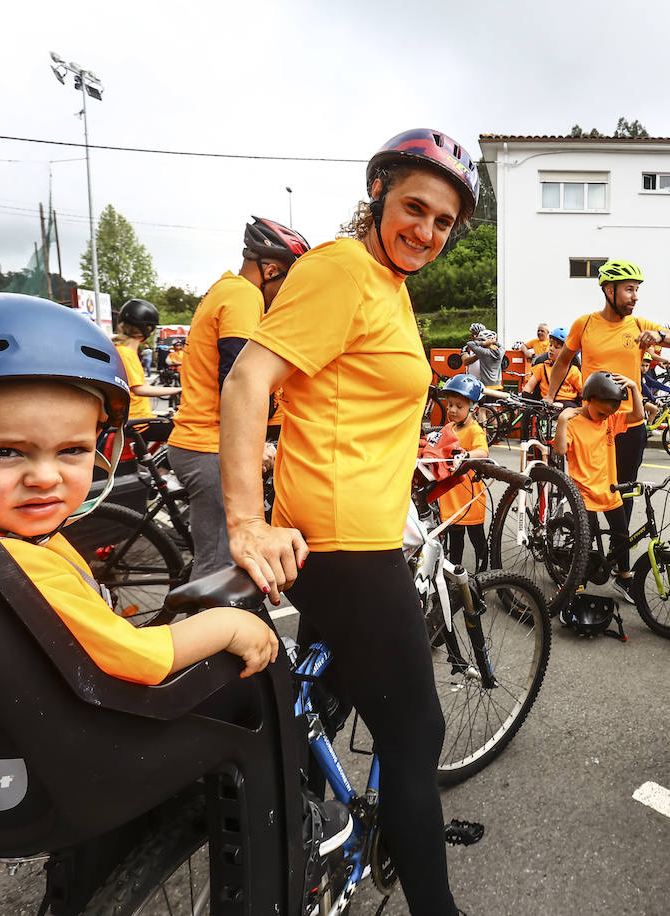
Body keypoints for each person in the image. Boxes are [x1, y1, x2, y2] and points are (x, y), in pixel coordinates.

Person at [0, 292, 353, 856]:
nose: (46, 477)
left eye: (73, 450)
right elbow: (139, 658)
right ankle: (294, 829)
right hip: (86, 763)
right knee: (258, 687)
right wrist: (228, 626)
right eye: (6, 452)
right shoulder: (15, 564)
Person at [219, 127, 480, 915]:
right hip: (347, 551)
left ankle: (310, 835)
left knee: (322, 706)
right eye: (414, 209)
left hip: (362, 534)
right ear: (377, 195)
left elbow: (356, 400)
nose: (427, 234)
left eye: (443, 224)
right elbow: (247, 382)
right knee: (417, 736)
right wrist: (244, 522)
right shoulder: (341, 269)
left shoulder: (387, 285)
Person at [168, 216, 310, 580]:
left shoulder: (224, 290)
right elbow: (238, 379)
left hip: (202, 441)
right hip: (210, 445)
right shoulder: (244, 296)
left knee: (223, 562)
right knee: (220, 569)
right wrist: (255, 443)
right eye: (288, 283)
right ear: (271, 269)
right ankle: (213, 635)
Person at [547, 259, 670, 520]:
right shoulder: (585, 323)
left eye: (637, 289)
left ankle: (618, 544)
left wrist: (659, 337)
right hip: (593, 420)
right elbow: (563, 362)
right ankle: (587, 545)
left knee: (624, 488)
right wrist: (549, 397)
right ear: (608, 290)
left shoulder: (638, 325)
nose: (635, 296)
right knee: (587, 487)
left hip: (629, 420)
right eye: (629, 289)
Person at [553, 371, 644, 604]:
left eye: (610, 413)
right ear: (588, 399)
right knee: (585, 542)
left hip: (609, 490)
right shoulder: (573, 422)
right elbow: (561, 450)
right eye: (602, 412)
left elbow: (638, 415)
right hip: (583, 494)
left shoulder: (610, 420)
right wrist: (562, 421)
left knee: (622, 536)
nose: (605, 417)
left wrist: (633, 387)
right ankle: (577, 581)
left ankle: (624, 577)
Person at [435, 375, 490, 573]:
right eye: (450, 405)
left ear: (473, 409)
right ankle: (454, 580)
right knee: (455, 543)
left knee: (478, 542)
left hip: (470, 500)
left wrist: (466, 455)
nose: (452, 410)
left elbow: (483, 452)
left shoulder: (475, 431)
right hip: (450, 499)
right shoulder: (448, 428)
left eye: (459, 406)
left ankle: (483, 577)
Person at [111, 298, 180, 420]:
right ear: (147, 329)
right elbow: (139, 390)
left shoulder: (120, 349)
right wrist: (179, 390)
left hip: (133, 417)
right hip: (138, 419)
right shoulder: (125, 353)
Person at [519, 327, 581, 406]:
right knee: (527, 412)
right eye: (550, 345)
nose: (551, 349)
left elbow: (582, 391)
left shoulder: (573, 371)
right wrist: (524, 396)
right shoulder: (542, 367)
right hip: (545, 403)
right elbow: (529, 386)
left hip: (566, 403)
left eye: (556, 347)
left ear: (567, 352)